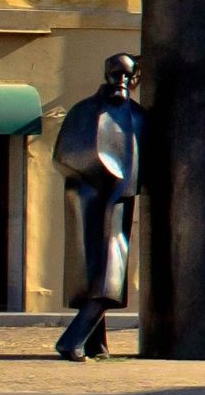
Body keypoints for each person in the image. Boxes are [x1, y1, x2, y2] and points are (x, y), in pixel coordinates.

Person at [54, 53, 143, 362]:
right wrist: (104, 176)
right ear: (106, 75)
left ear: (135, 80)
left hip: (119, 205)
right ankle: (72, 340)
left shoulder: (138, 116)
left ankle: (95, 343)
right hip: (89, 202)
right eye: (115, 74)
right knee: (104, 278)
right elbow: (64, 154)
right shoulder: (85, 111)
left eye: (126, 75)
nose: (121, 81)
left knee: (106, 273)